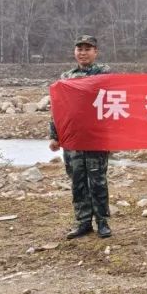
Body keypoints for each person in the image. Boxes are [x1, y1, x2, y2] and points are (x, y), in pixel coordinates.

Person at [49, 35, 113, 239]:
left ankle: (102, 222)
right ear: (74, 52)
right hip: (73, 140)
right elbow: (59, 109)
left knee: (98, 181)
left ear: (95, 52)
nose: (83, 53)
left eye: (87, 49)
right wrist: (55, 135)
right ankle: (83, 222)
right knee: (77, 181)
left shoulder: (104, 73)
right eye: (80, 49)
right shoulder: (66, 77)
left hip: (96, 138)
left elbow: (114, 103)